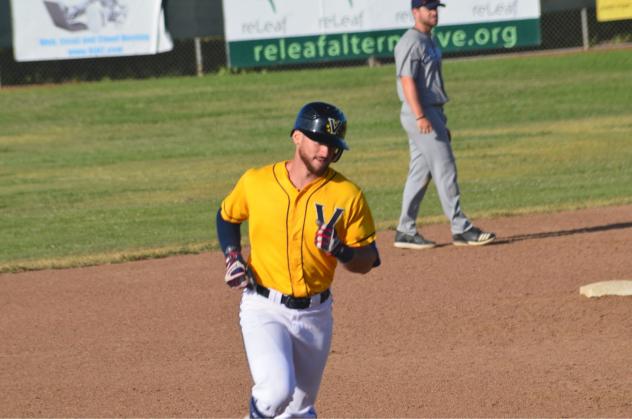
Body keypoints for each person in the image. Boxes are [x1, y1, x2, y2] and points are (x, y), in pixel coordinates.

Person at [215, 101, 380, 418]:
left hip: (316, 316)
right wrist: (232, 256)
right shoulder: (257, 181)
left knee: (299, 409)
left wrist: (342, 251)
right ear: (296, 137)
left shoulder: (348, 195)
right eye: (319, 141)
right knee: (275, 392)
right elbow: (227, 216)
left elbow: (368, 258)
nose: (325, 151)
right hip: (263, 306)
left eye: (333, 145)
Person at [393, 0, 496, 249]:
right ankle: (460, 228)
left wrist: (438, 120)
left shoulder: (429, 39)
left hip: (431, 112)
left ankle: (405, 230)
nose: (434, 12)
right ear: (415, 12)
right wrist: (421, 116)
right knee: (445, 167)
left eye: (436, 8)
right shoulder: (411, 42)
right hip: (420, 112)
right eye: (429, 8)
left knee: (420, 172)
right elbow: (407, 81)